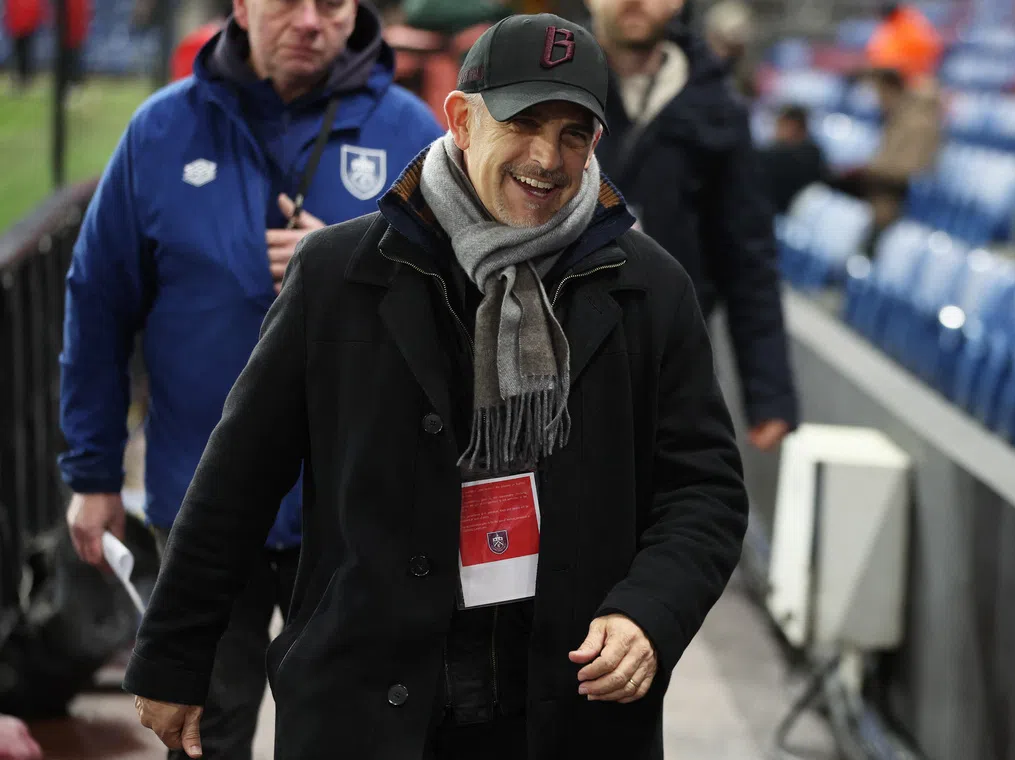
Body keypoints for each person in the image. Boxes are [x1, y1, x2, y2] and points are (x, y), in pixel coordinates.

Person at [122, 12, 748, 760]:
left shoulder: (650, 288)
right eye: (525, 124)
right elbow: (237, 480)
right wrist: (173, 656)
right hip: (366, 704)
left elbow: (705, 489)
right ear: (461, 118)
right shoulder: (338, 275)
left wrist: (649, 613)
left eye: (574, 134)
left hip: (564, 710)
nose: (547, 158)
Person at [57, 2, 442, 759]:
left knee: (345, 733)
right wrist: (93, 471)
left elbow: (461, 310)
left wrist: (349, 263)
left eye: (330, 4)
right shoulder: (162, 130)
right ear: (240, 5)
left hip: (354, 505)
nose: (308, 21)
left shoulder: (413, 137)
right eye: (285, 1)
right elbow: (97, 302)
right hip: (200, 501)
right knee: (198, 728)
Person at [587, 0, 799, 451]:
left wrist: (769, 393)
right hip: (559, 362)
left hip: (675, 361)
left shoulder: (718, 106)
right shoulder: (551, 86)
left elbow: (748, 257)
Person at [831, 67, 941, 238]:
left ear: (890, 89)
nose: (876, 100)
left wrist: (870, 171)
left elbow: (910, 171)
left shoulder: (918, 123)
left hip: (896, 196)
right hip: (880, 183)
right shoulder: (896, 115)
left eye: (879, 93)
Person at [759, 104, 828, 214]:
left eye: (783, 124)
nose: (777, 128)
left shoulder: (807, 153)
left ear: (798, 127)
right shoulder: (772, 151)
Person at [3, 0, 42, 91]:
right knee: (23, 54)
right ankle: (24, 77)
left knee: (23, 54)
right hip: (21, 27)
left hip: (22, 27)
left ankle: (24, 77)